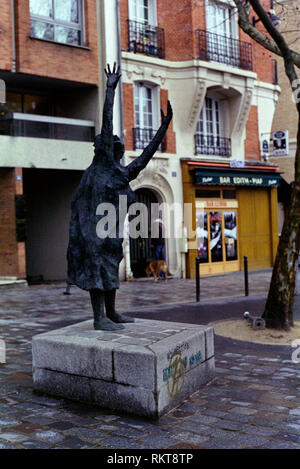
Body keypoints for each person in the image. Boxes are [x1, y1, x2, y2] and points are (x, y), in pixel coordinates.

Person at [67, 63, 173, 331]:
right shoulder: (101, 165)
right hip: (92, 230)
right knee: (97, 271)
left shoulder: (120, 172)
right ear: (105, 149)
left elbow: (146, 156)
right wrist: (111, 89)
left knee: (111, 267)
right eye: (115, 146)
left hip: (110, 230)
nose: (120, 149)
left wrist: (163, 128)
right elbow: (107, 123)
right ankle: (99, 317)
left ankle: (112, 312)